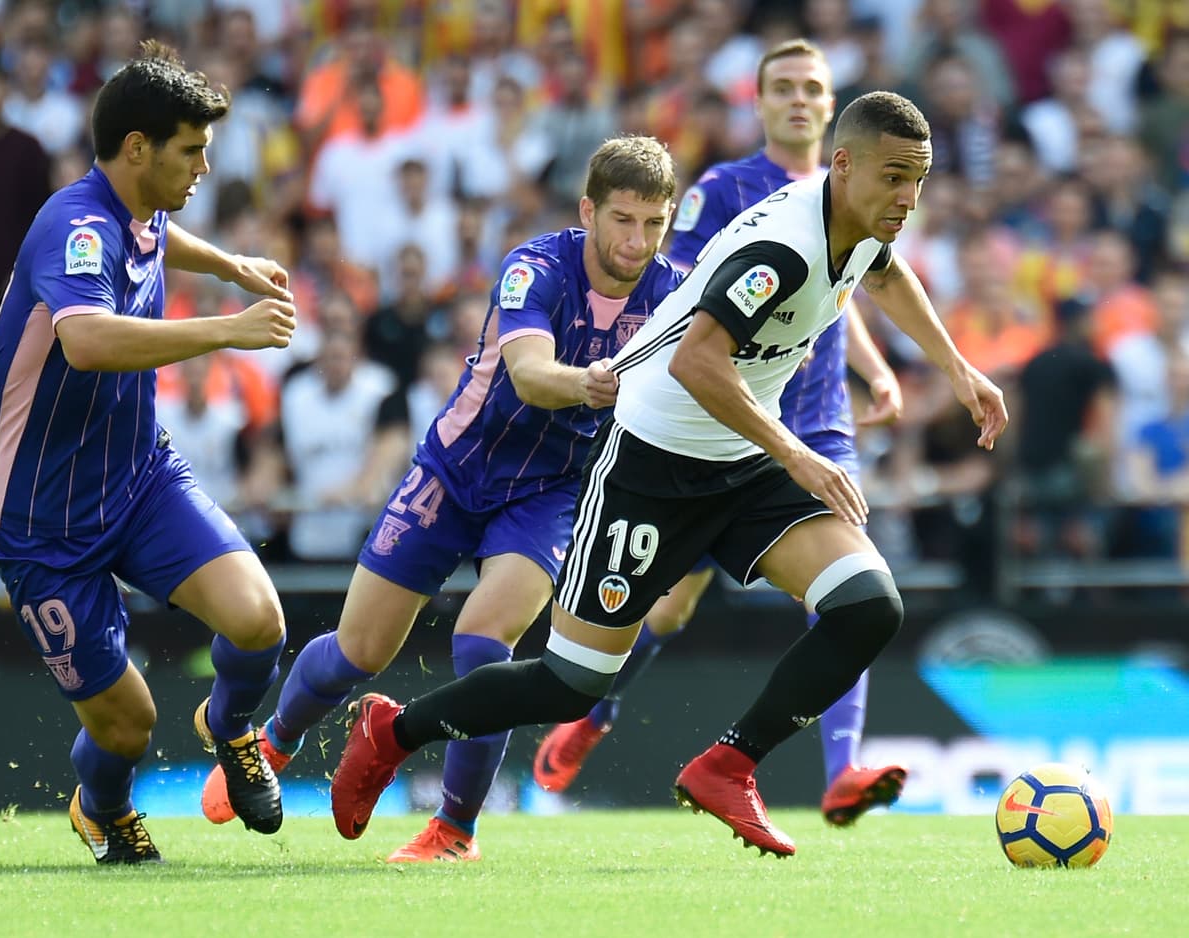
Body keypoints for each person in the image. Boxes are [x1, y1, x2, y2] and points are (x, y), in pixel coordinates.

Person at [329, 91, 1008, 857]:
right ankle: (394, 729)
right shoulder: (782, 249)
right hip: (652, 462)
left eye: (918, 178)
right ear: (844, 166)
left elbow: (882, 273)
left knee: (867, 605)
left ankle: (729, 764)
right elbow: (696, 361)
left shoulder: (857, 219)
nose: (908, 199)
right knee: (567, 683)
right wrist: (795, 451)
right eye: (894, 177)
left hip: (741, 457)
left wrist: (957, 369)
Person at [199, 136, 683, 861]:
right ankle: (271, 743)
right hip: (453, 471)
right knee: (359, 649)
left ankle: (455, 831)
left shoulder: (674, 292)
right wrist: (592, 382)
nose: (637, 240)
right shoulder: (536, 268)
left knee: (484, 648)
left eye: (654, 223)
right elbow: (527, 374)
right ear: (589, 210)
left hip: (550, 493)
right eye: (622, 220)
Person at [532, 38, 910, 826]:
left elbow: (846, 286)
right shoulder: (728, 190)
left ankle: (842, 770)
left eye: (813, 87)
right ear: (761, 102)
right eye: (783, 88)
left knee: (848, 588)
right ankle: (592, 712)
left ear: (833, 105)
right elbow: (708, 299)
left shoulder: (869, 192)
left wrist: (876, 368)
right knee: (663, 612)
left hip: (814, 424)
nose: (799, 100)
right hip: (714, 420)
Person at [0, 41, 298, 865]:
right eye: (190, 150)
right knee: (128, 723)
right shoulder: (73, 225)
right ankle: (103, 808)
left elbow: (160, 237)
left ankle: (228, 728)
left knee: (260, 622)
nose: (202, 167)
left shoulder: (138, 211)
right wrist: (226, 330)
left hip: (137, 478)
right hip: (41, 521)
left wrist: (230, 266)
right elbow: (84, 340)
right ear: (135, 149)